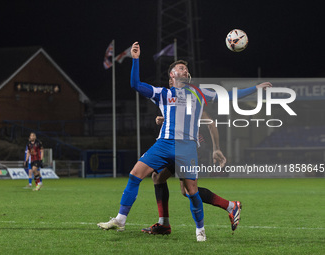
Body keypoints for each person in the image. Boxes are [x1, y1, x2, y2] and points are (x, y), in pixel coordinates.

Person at [98, 42, 272, 242]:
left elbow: (228, 96)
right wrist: (136, 60)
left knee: (190, 191)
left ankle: (201, 230)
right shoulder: (163, 94)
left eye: (186, 69)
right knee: (137, 175)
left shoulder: (198, 93)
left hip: (186, 147)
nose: (184, 70)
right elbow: (135, 85)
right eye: (180, 68)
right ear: (171, 75)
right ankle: (123, 219)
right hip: (163, 143)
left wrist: (255, 89)